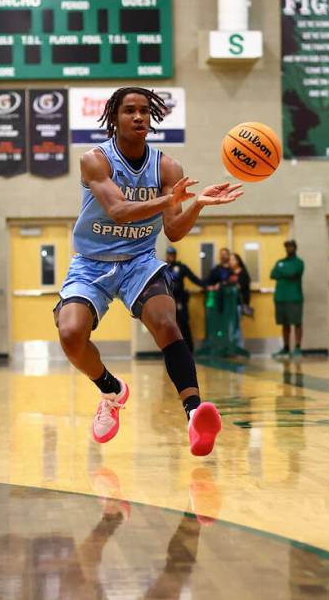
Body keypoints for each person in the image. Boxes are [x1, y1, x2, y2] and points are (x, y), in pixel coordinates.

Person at [53, 86, 243, 457]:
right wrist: (168, 199)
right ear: (114, 117)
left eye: (144, 111)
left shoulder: (167, 167)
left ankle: (194, 415)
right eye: (129, 111)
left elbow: (172, 230)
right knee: (71, 333)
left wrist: (197, 205)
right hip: (92, 263)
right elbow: (119, 211)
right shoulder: (96, 160)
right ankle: (111, 391)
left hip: (140, 260)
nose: (138, 117)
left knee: (167, 324)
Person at [165, 246, 205, 351]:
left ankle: (189, 349)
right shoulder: (162, 268)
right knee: (168, 326)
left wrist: (206, 286)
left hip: (180, 301)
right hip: (167, 301)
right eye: (169, 254)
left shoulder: (181, 267)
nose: (171, 257)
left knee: (184, 324)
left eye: (172, 254)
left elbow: (193, 278)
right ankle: (171, 350)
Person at [270, 239, 304, 358]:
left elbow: (292, 274)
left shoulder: (299, 262)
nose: (288, 249)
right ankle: (286, 347)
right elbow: (273, 274)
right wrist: (284, 273)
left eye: (291, 246)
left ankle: (298, 347)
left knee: (297, 322)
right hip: (281, 297)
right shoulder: (280, 262)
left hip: (294, 297)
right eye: (287, 247)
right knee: (285, 324)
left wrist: (282, 273)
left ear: (295, 248)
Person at [228, 252, 252, 347]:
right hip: (229, 304)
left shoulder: (243, 273)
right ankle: (233, 347)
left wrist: (245, 304)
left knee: (237, 327)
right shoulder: (229, 273)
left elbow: (245, 290)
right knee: (231, 327)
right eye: (230, 260)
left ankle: (239, 347)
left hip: (239, 304)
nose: (230, 261)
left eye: (232, 259)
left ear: (238, 261)